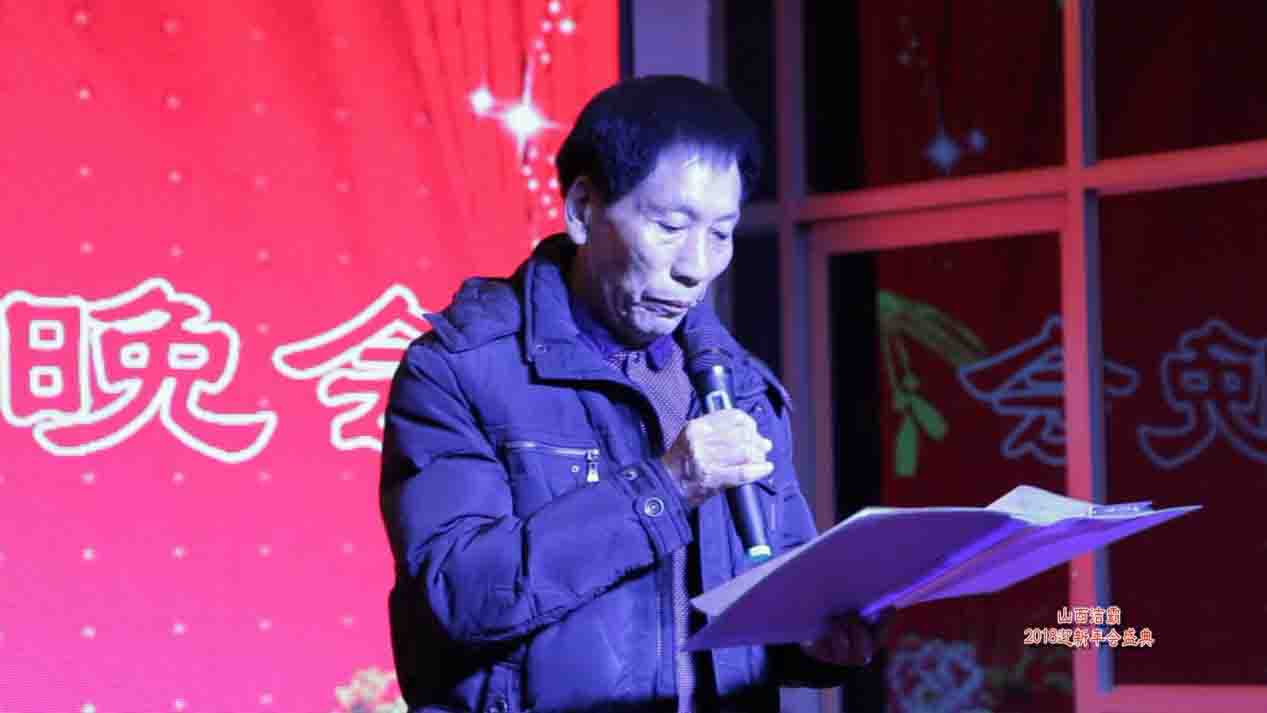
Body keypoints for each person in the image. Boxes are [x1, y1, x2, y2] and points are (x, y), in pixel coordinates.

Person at [380, 75, 890, 713]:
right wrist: (665, 487)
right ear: (582, 208)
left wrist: (816, 642)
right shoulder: (460, 371)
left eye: (721, 234)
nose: (695, 266)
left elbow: (767, 604)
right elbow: (461, 595)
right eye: (671, 226)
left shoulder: (741, 387)